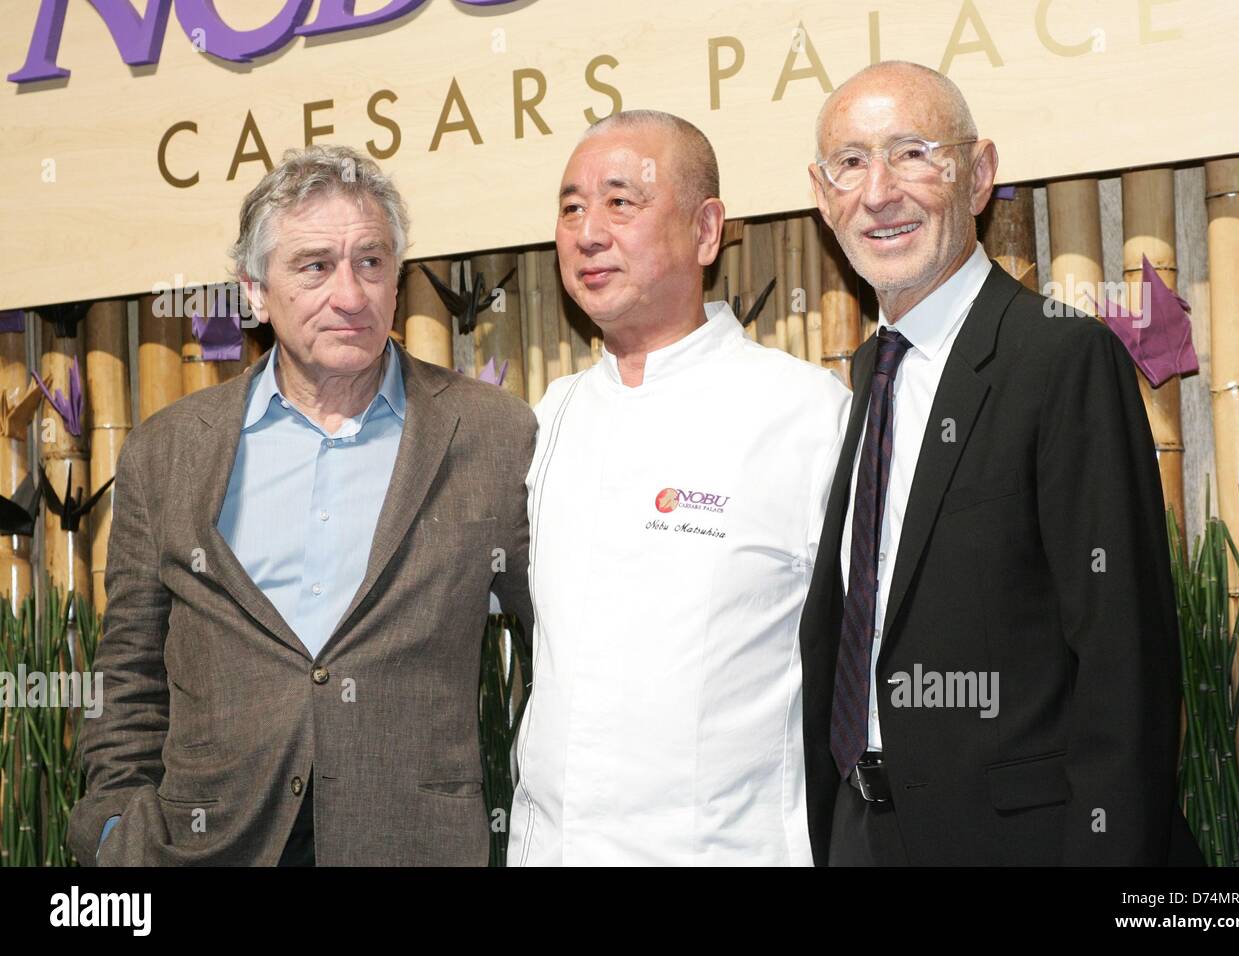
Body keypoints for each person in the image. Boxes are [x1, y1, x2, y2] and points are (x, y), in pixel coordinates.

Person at [68, 144, 535, 866]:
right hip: (204, 846)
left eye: (372, 262)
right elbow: (129, 670)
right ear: (253, 291)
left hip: (411, 844)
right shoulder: (167, 452)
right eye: (315, 266)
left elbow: (564, 647)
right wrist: (114, 829)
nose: (350, 295)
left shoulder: (493, 434)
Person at [799, 61, 1202, 865]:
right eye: (850, 162)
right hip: (863, 836)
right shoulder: (868, 375)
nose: (878, 191)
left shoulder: (1059, 357)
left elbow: (1125, 662)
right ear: (822, 195)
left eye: (913, 153)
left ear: (979, 175)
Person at [507, 110, 851, 865]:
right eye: (570, 207)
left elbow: (868, 661)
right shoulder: (552, 414)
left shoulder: (804, 412)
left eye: (620, 202)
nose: (587, 232)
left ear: (704, 231)